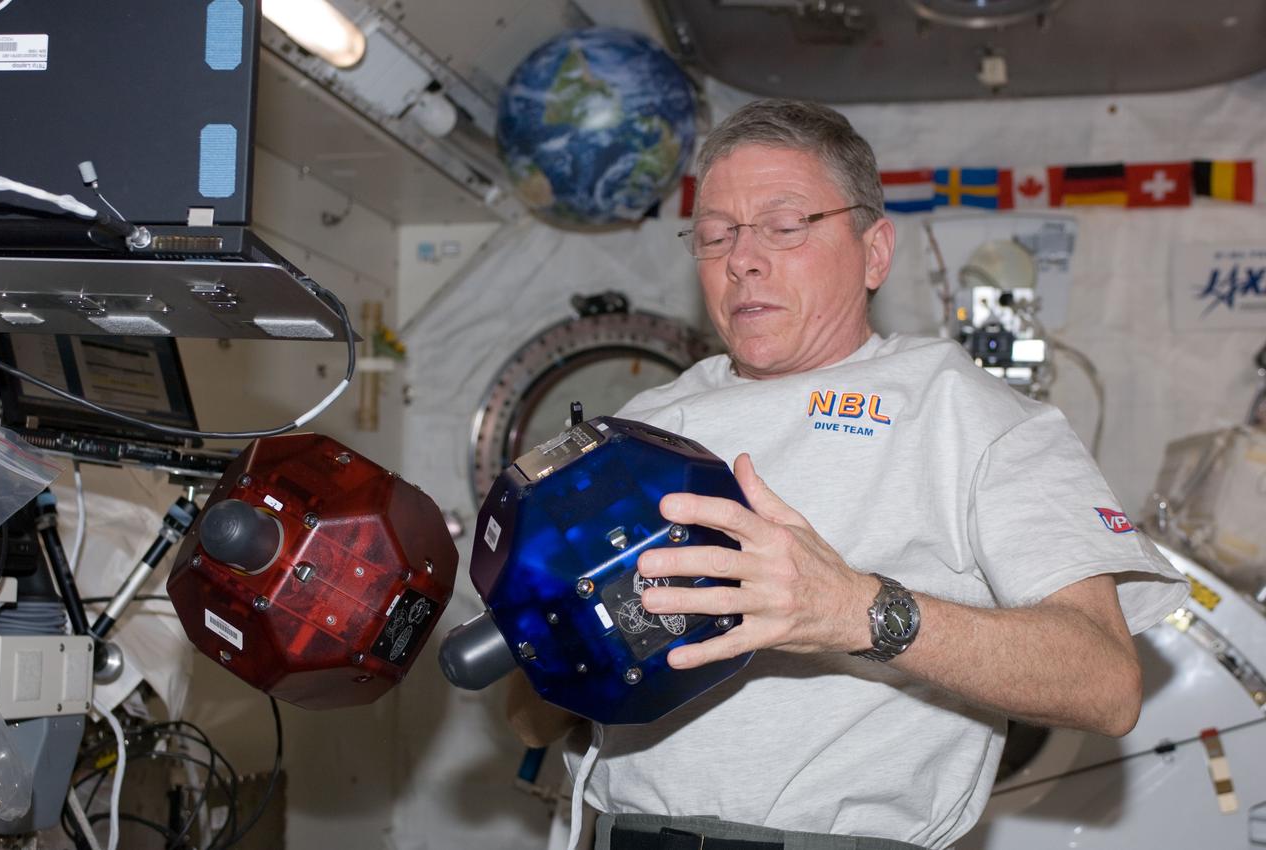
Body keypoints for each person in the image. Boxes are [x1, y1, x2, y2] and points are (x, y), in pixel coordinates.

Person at [509, 98, 1188, 850]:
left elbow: (1106, 681)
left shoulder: (968, 413)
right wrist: (551, 639)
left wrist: (855, 611)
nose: (743, 257)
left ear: (875, 251)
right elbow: (532, 708)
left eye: (786, 224)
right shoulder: (636, 425)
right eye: (715, 234)